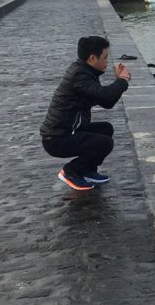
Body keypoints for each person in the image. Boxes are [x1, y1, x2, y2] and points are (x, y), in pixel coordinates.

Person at [41, 35, 132, 191]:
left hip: (67, 131)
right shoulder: (79, 76)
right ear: (92, 58)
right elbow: (106, 97)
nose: (107, 61)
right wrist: (122, 81)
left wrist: (118, 81)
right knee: (104, 143)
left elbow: (106, 102)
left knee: (106, 129)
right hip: (57, 138)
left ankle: (87, 171)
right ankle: (71, 171)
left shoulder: (84, 71)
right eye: (105, 57)